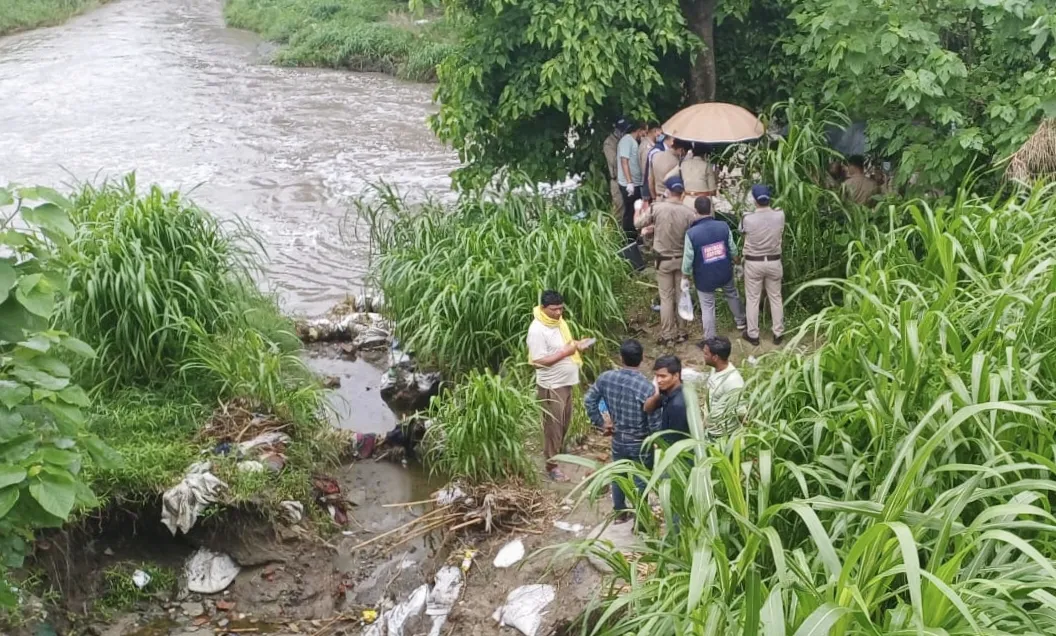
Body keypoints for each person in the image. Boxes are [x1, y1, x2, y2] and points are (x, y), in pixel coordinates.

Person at [584, 339, 659, 519]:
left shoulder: (606, 378)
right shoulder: (647, 387)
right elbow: (654, 420)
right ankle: (641, 520)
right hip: (640, 441)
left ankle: (620, 512)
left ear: (621, 358)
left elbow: (589, 400)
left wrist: (601, 423)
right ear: (642, 358)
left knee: (619, 476)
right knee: (641, 480)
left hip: (618, 437)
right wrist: (656, 438)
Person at [527, 290, 593, 481]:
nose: (558, 313)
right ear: (543, 308)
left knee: (564, 423)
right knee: (553, 428)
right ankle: (551, 466)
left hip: (566, 382)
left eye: (561, 309)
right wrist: (566, 353)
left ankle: (556, 454)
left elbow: (564, 345)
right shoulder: (537, 330)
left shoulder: (558, 322)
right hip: (552, 385)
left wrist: (577, 345)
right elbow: (538, 361)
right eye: (554, 309)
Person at [634, 176, 696, 345]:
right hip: (682, 261)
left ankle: (668, 335)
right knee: (682, 295)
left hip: (663, 260)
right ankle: (682, 332)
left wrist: (638, 209)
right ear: (682, 192)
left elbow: (638, 224)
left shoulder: (656, 208)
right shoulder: (689, 213)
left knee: (666, 298)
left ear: (667, 191)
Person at [681, 196, 746, 343]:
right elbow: (733, 249)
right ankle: (741, 321)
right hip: (724, 272)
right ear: (710, 209)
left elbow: (688, 259)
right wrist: (737, 264)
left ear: (695, 211)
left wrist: (685, 277)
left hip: (704, 277)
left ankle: (710, 337)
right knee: (732, 294)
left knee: (707, 306)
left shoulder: (691, 234)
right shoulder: (723, 226)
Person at [741, 185, 785, 346]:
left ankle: (753, 334)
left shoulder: (747, 218)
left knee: (752, 298)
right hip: (774, 261)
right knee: (776, 297)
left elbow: (743, 233)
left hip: (754, 262)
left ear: (754, 200)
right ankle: (778, 332)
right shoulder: (780, 215)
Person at [701, 336, 746, 437]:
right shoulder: (715, 369)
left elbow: (741, 412)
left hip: (723, 436)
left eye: (706, 354)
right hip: (710, 431)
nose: (703, 356)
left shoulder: (732, 381)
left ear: (715, 357)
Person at [644, 355, 688, 449]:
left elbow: (674, 438)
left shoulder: (678, 404)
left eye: (663, 376)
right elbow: (647, 409)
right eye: (657, 376)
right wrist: (656, 394)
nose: (658, 380)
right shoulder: (668, 392)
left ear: (676, 376)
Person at [616, 121, 648, 241]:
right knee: (630, 211)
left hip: (636, 183)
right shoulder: (627, 140)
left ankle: (636, 236)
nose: (645, 134)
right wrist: (629, 182)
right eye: (644, 131)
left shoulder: (634, 141)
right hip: (628, 184)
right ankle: (629, 239)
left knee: (636, 210)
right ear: (639, 130)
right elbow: (624, 161)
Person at [603, 119, 630, 215]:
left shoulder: (628, 139)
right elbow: (615, 161)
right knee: (619, 208)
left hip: (629, 179)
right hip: (617, 180)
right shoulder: (609, 143)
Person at [649, 137, 686, 203]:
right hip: (671, 199)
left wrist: (653, 198)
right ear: (681, 150)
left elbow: (650, 180)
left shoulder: (655, 156)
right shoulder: (677, 163)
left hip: (658, 197)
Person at [638, 123, 664, 202]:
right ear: (655, 131)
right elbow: (645, 169)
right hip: (648, 186)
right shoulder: (647, 147)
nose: (661, 135)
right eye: (661, 133)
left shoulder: (651, 145)